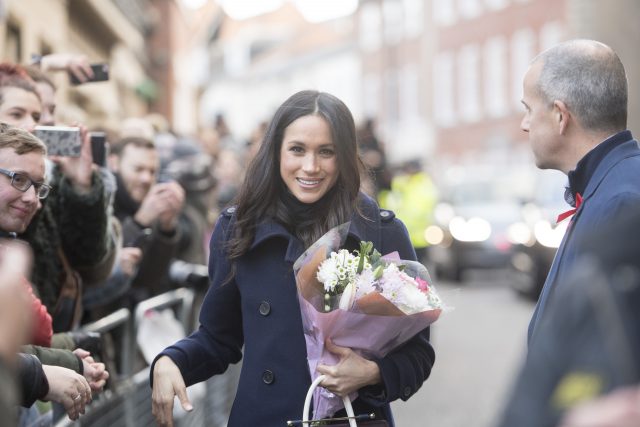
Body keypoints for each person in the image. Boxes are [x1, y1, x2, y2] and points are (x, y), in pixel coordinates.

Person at [150, 90, 435, 427]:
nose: (310, 166)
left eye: (325, 152)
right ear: (277, 152)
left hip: (351, 419)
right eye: (297, 149)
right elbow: (218, 337)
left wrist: (373, 372)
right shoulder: (239, 229)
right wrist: (171, 360)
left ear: (343, 157)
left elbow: (418, 353)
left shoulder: (381, 232)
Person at [520, 39, 640, 344]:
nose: (524, 124)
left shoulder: (622, 203)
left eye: (528, 109)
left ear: (561, 116)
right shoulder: (606, 185)